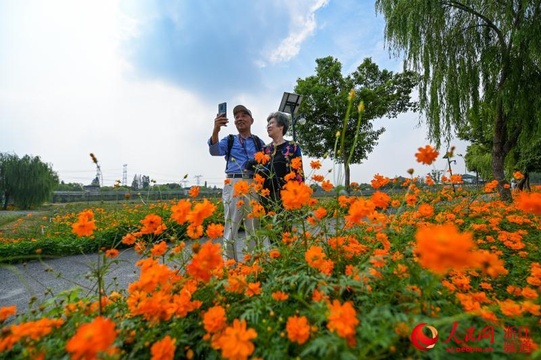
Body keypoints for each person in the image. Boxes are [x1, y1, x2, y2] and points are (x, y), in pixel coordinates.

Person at [208, 104, 265, 261]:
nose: (239, 118)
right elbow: (214, 151)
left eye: (243, 115)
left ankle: (254, 263)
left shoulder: (259, 142)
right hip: (233, 181)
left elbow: (266, 161)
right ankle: (230, 265)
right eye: (236, 116)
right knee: (231, 225)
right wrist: (216, 130)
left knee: (254, 225)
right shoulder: (230, 140)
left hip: (253, 182)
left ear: (251, 120)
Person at [256, 111, 304, 214]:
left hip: (286, 194)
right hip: (267, 195)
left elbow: (299, 173)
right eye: (268, 124)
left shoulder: (292, 146)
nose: (268, 126)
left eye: (271, 123)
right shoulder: (265, 149)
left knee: (285, 226)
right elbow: (260, 172)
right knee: (269, 227)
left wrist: (299, 195)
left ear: (281, 126)